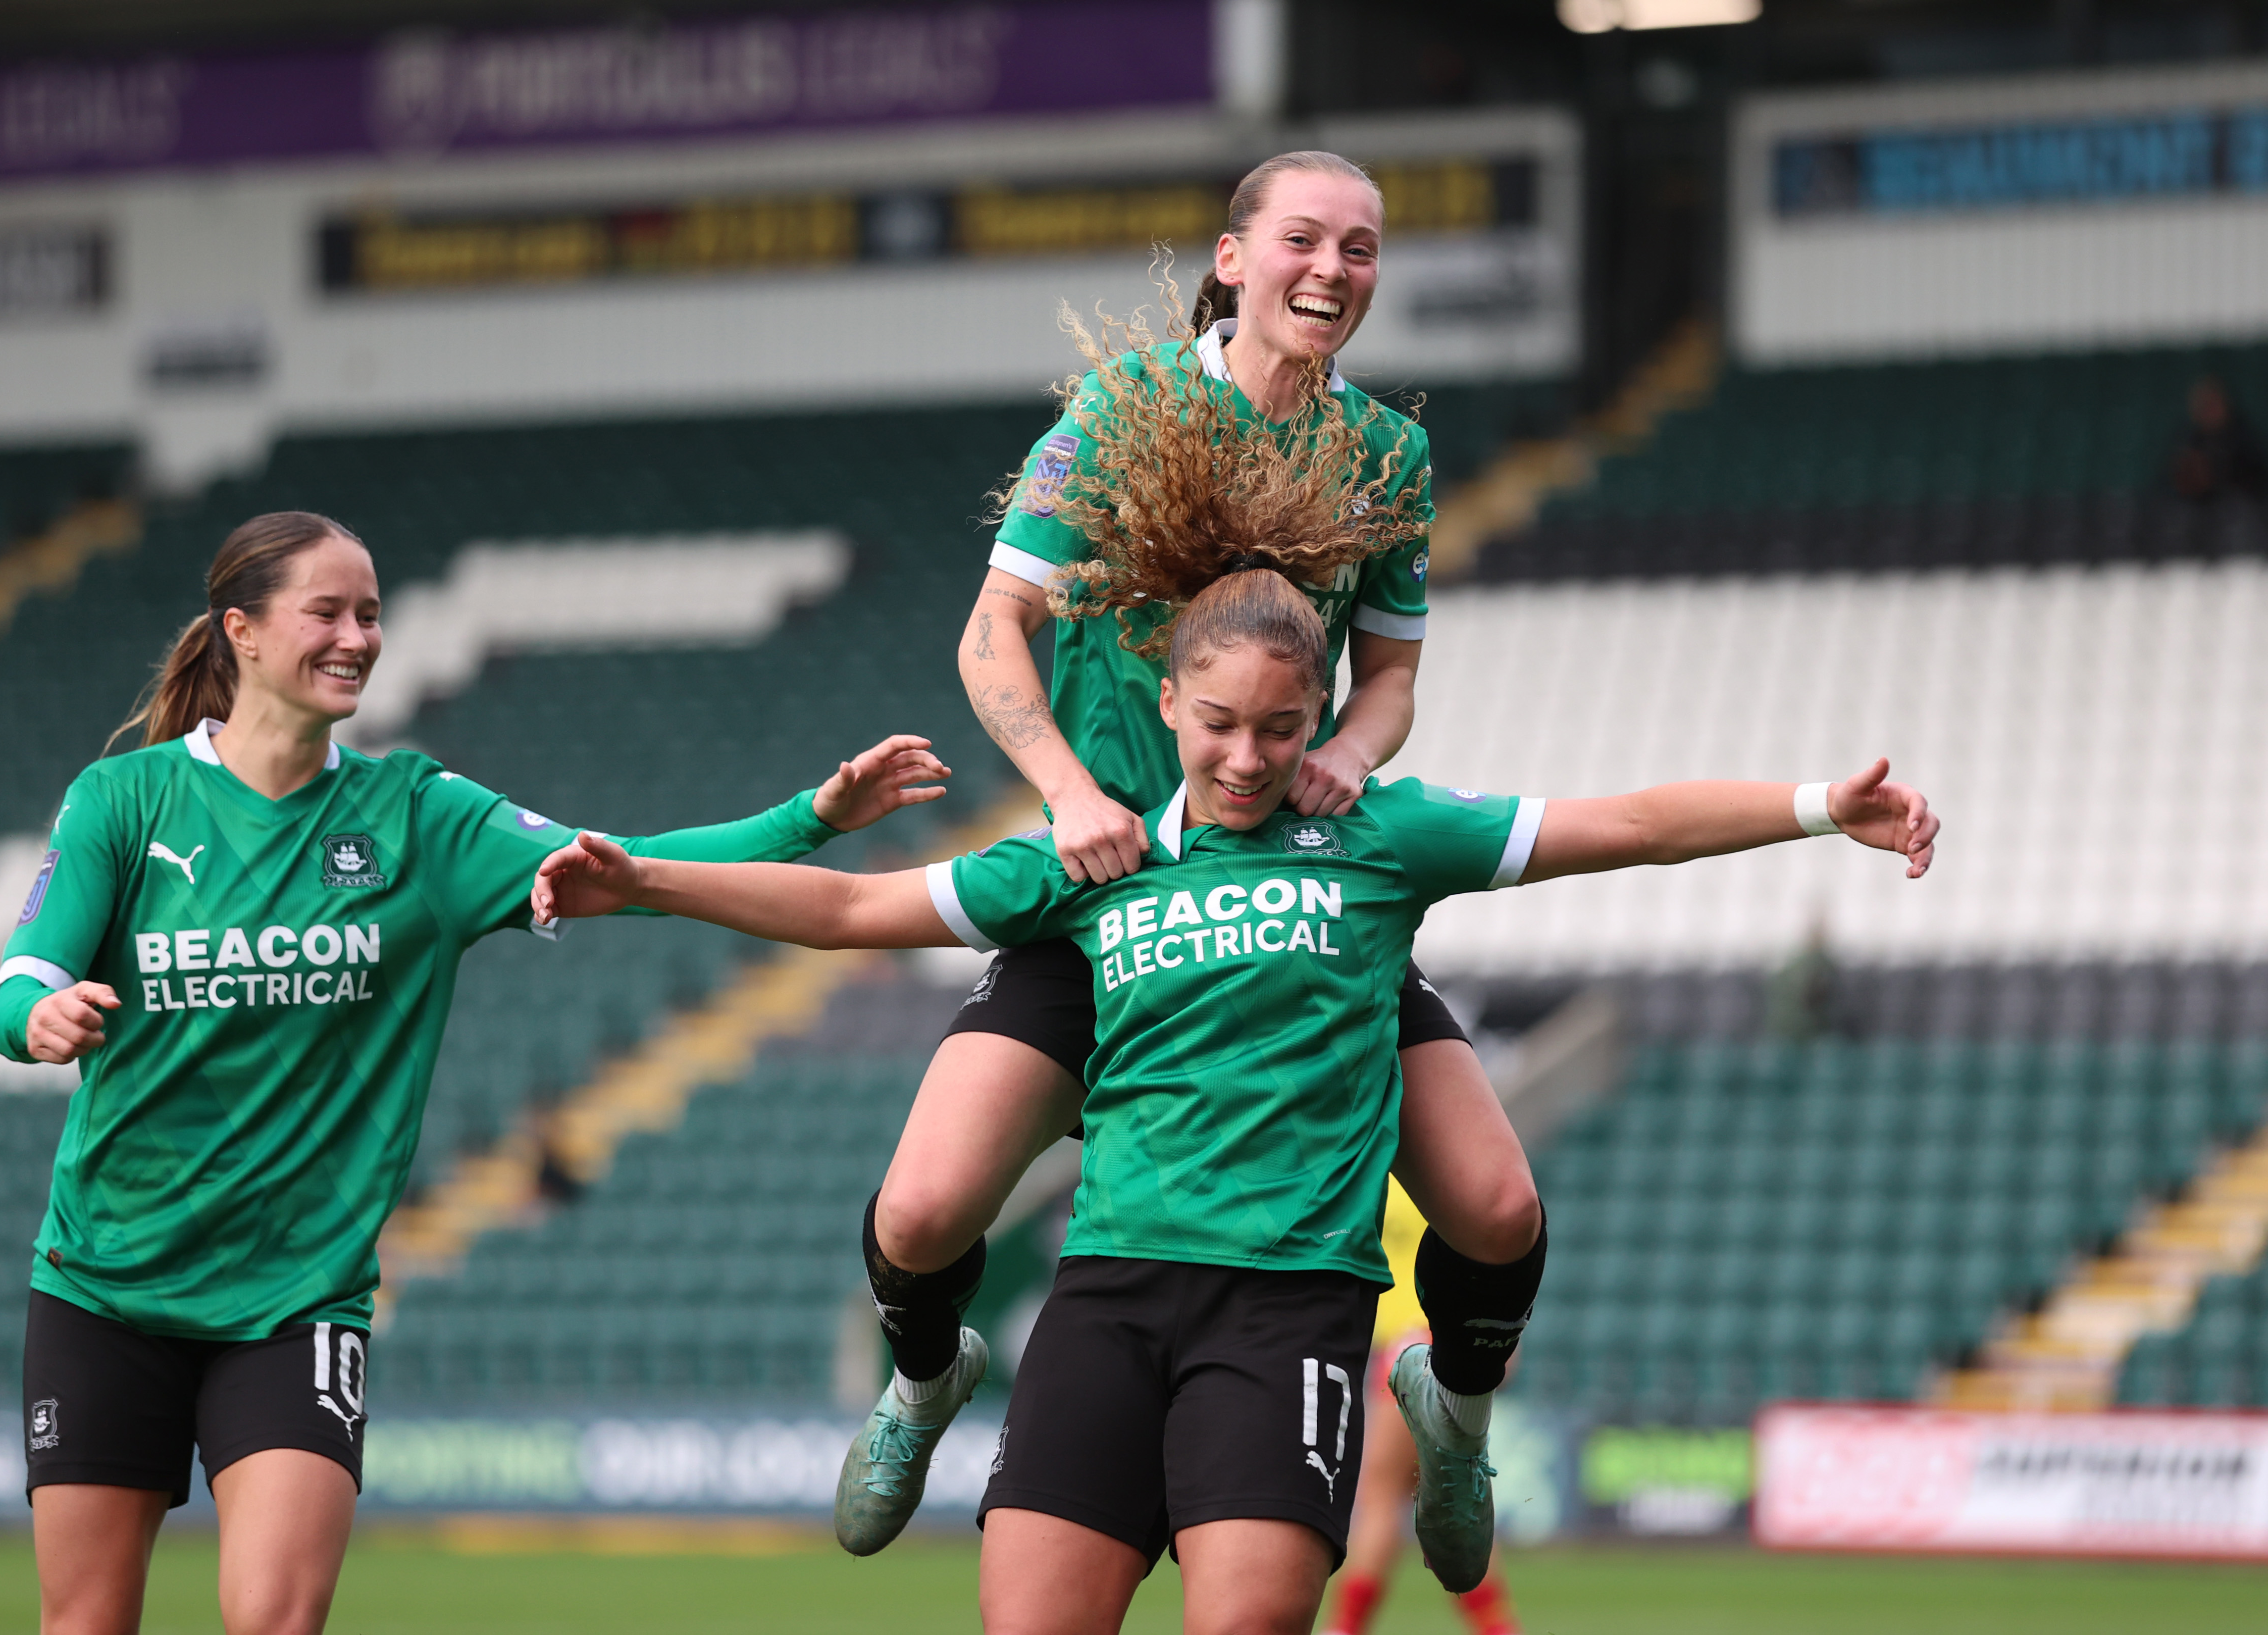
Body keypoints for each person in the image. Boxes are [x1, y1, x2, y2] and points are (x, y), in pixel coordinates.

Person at [531, 568, 1938, 1634]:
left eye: (1281, 725)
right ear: (1166, 709)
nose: (1251, 755)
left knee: (1252, 1617)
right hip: (1107, 1295)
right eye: (1219, 723)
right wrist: (642, 874)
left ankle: (1454, 1409)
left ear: (1321, 717)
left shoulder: (1383, 836)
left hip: (1287, 1306)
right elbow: (846, 905)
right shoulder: (1093, 859)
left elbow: (1623, 826)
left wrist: (1821, 802)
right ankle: (926, 1372)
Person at [0, 510, 948, 1635]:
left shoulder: (415, 814)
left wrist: (812, 817)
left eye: (372, 613)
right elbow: (19, 979)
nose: (359, 635)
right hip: (105, 1286)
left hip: (294, 1301)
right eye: (328, 611)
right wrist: (39, 1015)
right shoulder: (126, 799)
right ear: (239, 631)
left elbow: (625, 873)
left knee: (275, 1621)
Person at [841, 149, 1547, 1566]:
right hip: (1106, 897)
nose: (1333, 270)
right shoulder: (1129, 410)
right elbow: (994, 632)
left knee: (1495, 1204)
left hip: (1291, 901)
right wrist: (1063, 789)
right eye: (1303, 239)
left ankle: (1453, 1420)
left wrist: (1358, 746)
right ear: (1231, 259)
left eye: (1361, 247)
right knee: (921, 1212)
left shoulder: (1384, 453)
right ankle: (925, 1378)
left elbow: (1394, 676)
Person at [1321, 1182, 1521, 1635]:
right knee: (1456, 1497)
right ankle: (1499, 1630)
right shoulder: (1444, 1166)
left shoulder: (1371, 1168)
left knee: (1382, 1500)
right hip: (1447, 1342)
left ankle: (1343, 1629)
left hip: (1404, 1352)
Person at [2168, 376, 2265, 502]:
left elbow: (2255, 479)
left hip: (2236, 505)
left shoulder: (2243, 438)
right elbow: (2172, 482)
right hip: (2194, 506)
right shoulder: (2189, 439)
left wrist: (2214, 475)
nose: (2208, 411)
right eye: (2203, 405)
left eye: (2212, 404)